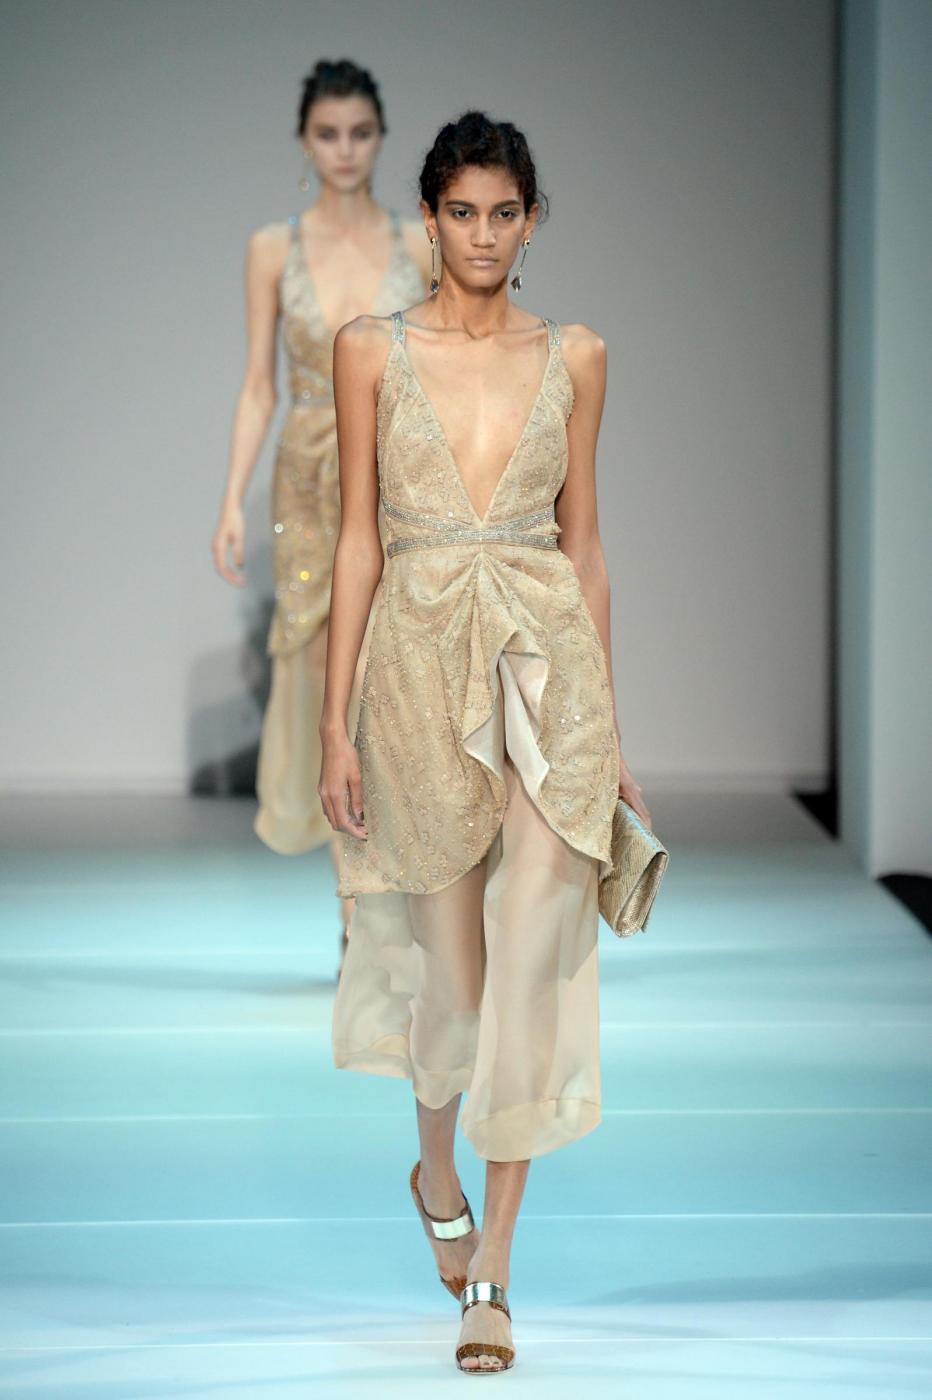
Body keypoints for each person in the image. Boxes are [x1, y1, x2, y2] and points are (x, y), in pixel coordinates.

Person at [319, 111, 651, 1374]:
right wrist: (335, 720)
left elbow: (587, 546)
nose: (481, 234)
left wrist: (611, 725)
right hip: (414, 669)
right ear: (428, 218)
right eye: (460, 211)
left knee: (529, 957)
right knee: (451, 980)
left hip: (543, 660)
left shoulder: (576, 353)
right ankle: (434, 1173)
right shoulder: (370, 349)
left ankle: (496, 1270)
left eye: (502, 212)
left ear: (531, 219)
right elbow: (357, 539)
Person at [211, 59, 429, 971]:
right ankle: (355, 909)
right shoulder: (273, 247)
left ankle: (400, 898)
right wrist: (232, 496)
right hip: (306, 482)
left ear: (381, 138)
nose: (345, 150)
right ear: (305, 141)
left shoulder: (421, 241)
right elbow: (258, 383)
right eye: (328, 133)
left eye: (361, 133)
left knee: (398, 682)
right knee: (322, 684)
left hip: (397, 477)